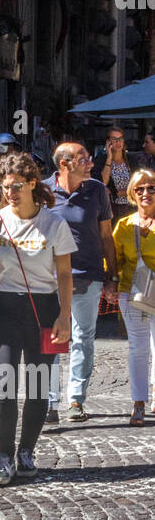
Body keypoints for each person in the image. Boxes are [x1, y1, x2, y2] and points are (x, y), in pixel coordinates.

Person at [0, 153, 73, 485]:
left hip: (43, 309)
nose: (10, 191)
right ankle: (4, 456)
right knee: (4, 385)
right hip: (4, 310)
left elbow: (65, 273)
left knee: (39, 386)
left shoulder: (54, 224)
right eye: (4, 185)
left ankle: (26, 452)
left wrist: (65, 315)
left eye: (16, 186)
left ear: (31, 184)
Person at [43, 142, 118, 426]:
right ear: (64, 164)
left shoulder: (97, 189)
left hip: (88, 274)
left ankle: (76, 399)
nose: (90, 163)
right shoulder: (43, 192)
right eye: (83, 159)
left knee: (83, 339)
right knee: (50, 341)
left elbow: (106, 236)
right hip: (49, 279)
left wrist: (112, 276)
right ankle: (49, 402)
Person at [112, 169, 155, 427]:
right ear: (132, 194)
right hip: (132, 291)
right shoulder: (124, 226)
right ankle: (138, 401)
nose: (145, 193)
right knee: (138, 348)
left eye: (151, 187)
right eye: (139, 189)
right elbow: (114, 260)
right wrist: (111, 282)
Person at [93, 126, 143, 225]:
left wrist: (115, 192)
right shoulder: (101, 160)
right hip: (110, 209)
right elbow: (103, 183)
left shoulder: (131, 160)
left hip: (132, 207)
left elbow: (138, 185)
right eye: (114, 139)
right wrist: (109, 158)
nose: (118, 142)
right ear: (108, 142)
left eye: (120, 138)